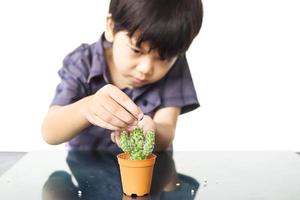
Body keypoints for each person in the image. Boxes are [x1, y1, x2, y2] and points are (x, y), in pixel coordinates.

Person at [41, 0, 203, 152]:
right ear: (111, 28)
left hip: (149, 174)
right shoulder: (83, 61)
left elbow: (167, 130)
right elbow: (50, 132)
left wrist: (152, 131)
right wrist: (86, 108)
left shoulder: (175, 67)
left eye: (163, 59)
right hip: (85, 169)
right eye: (136, 50)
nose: (146, 68)